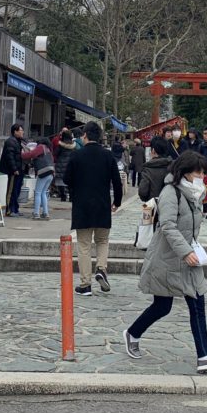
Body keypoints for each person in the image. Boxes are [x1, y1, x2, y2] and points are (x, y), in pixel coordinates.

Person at [123, 149, 207, 373]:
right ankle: (133, 333)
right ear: (186, 172)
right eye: (198, 172)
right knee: (162, 306)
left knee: (197, 304)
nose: (202, 176)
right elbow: (167, 225)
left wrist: (204, 192)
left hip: (189, 259)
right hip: (168, 258)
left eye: (203, 172)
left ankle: (204, 356)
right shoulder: (171, 192)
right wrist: (184, 251)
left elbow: (190, 222)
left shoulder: (192, 191)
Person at [67, 122, 123, 296]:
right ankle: (101, 268)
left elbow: (67, 179)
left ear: (85, 135)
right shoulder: (108, 156)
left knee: (84, 245)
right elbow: (116, 181)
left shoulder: (76, 156)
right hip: (102, 205)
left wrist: (74, 192)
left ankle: (85, 284)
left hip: (82, 206)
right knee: (102, 241)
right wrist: (117, 201)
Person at [0, 124, 26, 217]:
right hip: (14, 171)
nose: (22, 132)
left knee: (17, 190)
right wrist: (14, 169)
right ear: (15, 131)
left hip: (20, 169)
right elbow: (10, 157)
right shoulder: (10, 141)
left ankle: (15, 209)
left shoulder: (19, 142)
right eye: (21, 130)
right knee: (11, 190)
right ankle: (9, 210)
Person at [138, 135, 174, 203]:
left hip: (153, 205)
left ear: (153, 150)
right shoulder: (173, 166)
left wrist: (146, 199)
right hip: (171, 204)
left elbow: (143, 192)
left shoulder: (148, 169)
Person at [28, 137, 56, 220]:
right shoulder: (49, 150)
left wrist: (21, 154)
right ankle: (45, 213)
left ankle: (36, 213)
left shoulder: (41, 147)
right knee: (44, 193)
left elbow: (31, 154)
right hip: (51, 173)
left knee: (38, 193)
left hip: (44, 172)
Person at [53, 129, 76, 202]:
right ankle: (71, 197)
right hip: (70, 164)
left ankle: (63, 196)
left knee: (60, 181)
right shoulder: (74, 145)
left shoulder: (60, 145)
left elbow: (56, 153)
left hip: (61, 164)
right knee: (70, 181)